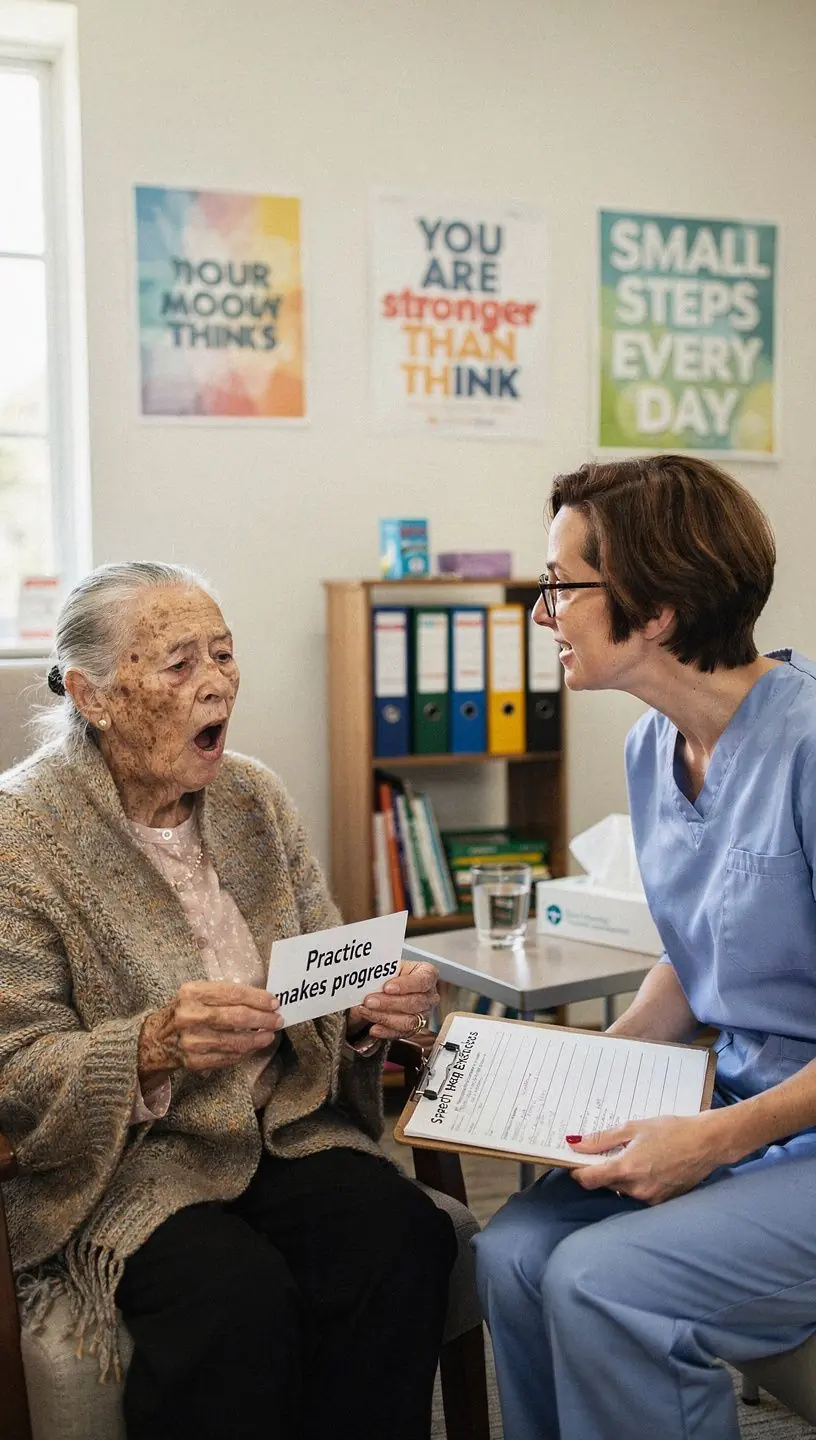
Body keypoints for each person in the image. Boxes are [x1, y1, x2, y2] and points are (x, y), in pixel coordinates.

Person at [0, 561, 455, 1440]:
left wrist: (364, 1015)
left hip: (282, 1125)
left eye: (224, 654)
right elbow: (16, 1064)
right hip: (134, 1162)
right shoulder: (19, 836)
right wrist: (150, 1045)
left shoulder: (252, 795)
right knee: (235, 1303)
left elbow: (324, 979)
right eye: (178, 664)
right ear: (94, 695)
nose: (216, 682)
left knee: (400, 1239)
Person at [473, 454, 816, 1440]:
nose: (543, 614)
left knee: (599, 1279)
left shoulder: (807, 749)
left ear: (656, 608)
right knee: (512, 1251)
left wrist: (712, 1139)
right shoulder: (648, 748)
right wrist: (602, 1061)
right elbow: (692, 950)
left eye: (560, 586)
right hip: (750, 1118)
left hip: (778, 1134)